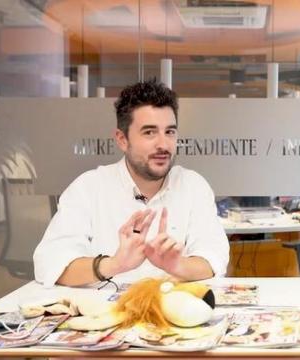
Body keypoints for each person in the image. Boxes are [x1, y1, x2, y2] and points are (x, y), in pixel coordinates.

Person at [33, 80, 229, 287]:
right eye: (149, 132)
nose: (163, 144)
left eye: (170, 132)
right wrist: (115, 264)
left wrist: (176, 265)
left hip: (173, 312)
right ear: (122, 139)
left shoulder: (193, 186)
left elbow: (214, 259)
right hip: (105, 313)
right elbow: (50, 265)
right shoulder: (88, 188)